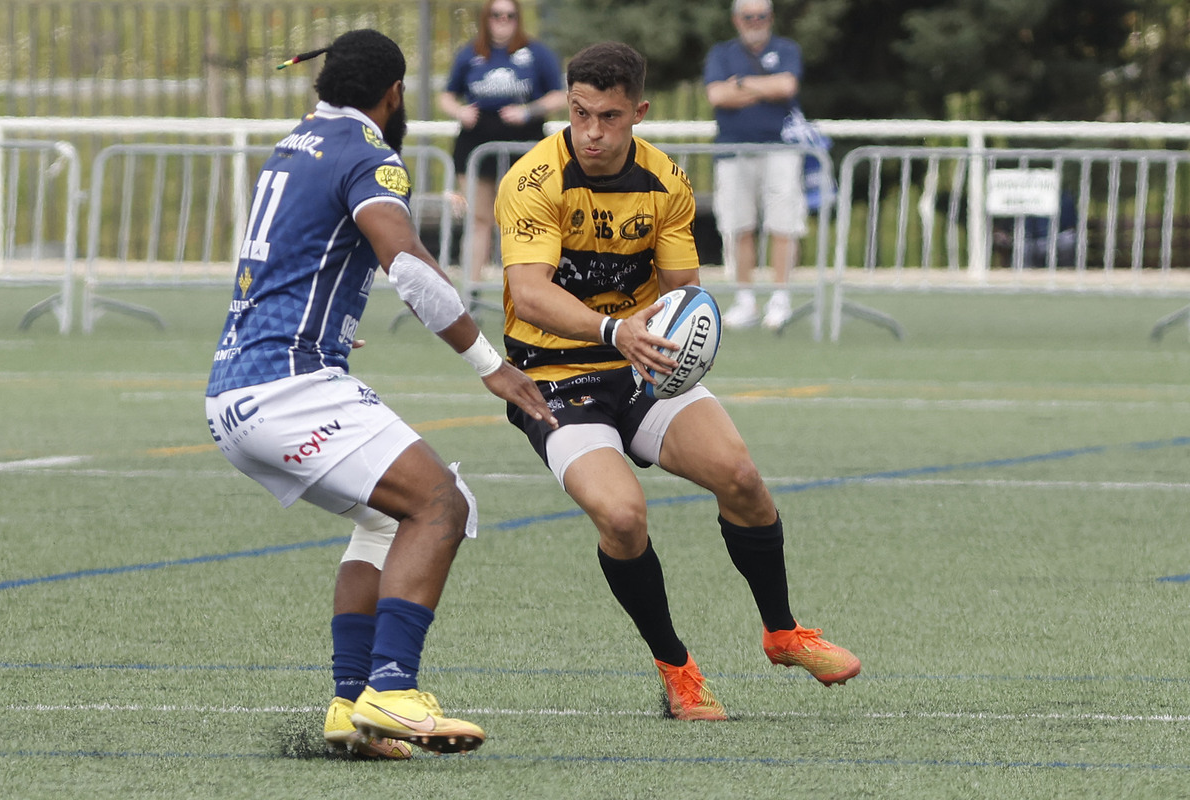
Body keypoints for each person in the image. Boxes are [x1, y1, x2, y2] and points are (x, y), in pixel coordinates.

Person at [205, 29, 557, 759]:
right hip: (286, 385)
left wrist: (326, 327)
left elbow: (286, 262)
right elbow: (414, 269)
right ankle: (394, 689)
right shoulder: (370, 156)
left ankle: (348, 706)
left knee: (387, 518)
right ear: (393, 94)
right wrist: (491, 362)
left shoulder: (296, 143)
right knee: (441, 504)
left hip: (239, 388)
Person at [493, 41, 859, 722]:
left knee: (741, 476)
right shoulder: (533, 179)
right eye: (579, 114)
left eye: (608, 116)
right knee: (623, 516)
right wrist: (613, 330)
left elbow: (683, 290)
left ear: (639, 111)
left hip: (642, 364)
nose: (592, 132)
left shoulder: (667, 182)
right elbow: (529, 293)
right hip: (552, 378)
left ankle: (783, 633)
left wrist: (678, 337)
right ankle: (678, 669)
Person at [438, 0, 565, 285]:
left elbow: (559, 94)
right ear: (487, 18)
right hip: (476, 145)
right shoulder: (471, 53)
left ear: (518, 18)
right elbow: (447, 95)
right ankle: (472, 291)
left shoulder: (536, 53)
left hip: (524, 145)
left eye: (510, 15)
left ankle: (530, 288)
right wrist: (459, 111)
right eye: (497, 15)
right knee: (479, 218)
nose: (503, 20)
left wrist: (528, 111)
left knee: (525, 218)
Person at [704, 0, 807, 331]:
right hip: (733, 151)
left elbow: (787, 86)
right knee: (738, 225)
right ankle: (744, 298)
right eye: (749, 16)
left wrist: (743, 84)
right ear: (737, 19)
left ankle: (780, 296)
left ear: (771, 17)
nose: (755, 22)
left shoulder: (786, 49)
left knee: (782, 224)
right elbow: (717, 95)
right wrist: (765, 88)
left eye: (761, 16)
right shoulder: (721, 53)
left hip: (780, 149)